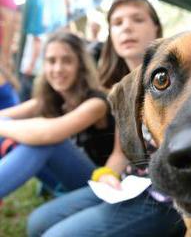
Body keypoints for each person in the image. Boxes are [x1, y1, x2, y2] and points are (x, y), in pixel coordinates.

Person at [28, 0, 185, 237]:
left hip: (169, 198)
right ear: (111, 34)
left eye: (137, 19)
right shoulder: (121, 90)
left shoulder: (181, 81)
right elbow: (119, 154)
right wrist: (108, 175)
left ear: (156, 27)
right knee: (36, 223)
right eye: (118, 23)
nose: (127, 28)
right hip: (128, 186)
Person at [0, 31, 115, 200]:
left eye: (67, 61)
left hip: (98, 184)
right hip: (59, 181)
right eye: (51, 61)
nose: (58, 68)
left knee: (47, 141)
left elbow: (48, 134)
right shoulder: (49, 99)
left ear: (80, 65)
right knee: (10, 128)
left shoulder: (96, 103)